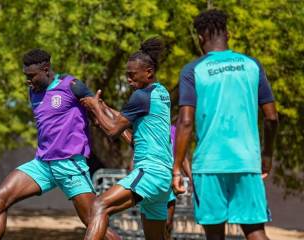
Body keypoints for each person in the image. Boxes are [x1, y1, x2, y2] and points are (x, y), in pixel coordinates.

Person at [0, 49, 120, 240]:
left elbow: (99, 113)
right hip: (42, 164)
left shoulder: (72, 86)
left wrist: (119, 130)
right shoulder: (33, 93)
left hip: (69, 165)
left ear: (46, 69)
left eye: (31, 76)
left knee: (94, 223)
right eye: (26, 76)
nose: (28, 80)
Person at [172, 9, 279, 240]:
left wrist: (176, 168)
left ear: (200, 38)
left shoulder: (193, 71)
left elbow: (186, 121)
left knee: (215, 235)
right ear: (228, 34)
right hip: (247, 162)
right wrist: (267, 155)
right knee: (255, 231)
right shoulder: (252, 65)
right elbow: (271, 118)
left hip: (209, 165)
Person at [81, 37, 174, 240]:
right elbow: (129, 131)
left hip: (149, 172)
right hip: (162, 178)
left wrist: (95, 107)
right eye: (127, 76)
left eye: (132, 75)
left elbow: (113, 130)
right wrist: (104, 108)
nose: (129, 80)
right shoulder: (160, 92)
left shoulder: (141, 96)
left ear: (148, 72)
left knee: (99, 205)